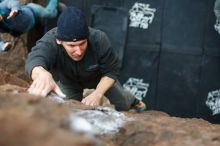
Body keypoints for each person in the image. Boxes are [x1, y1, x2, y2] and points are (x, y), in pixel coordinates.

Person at [25, 6, 146, 112]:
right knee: (68, 110)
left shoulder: (99, 39)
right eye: (72, 46)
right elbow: (35, 59)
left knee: (122, 104)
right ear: (59, 40)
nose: (78, 51)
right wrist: (41, 73)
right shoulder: (50, 40)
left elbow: (111, 71)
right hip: (69, 81)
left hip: (98, 78)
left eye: (82, 43)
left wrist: (98, 94)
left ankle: (133, 100)